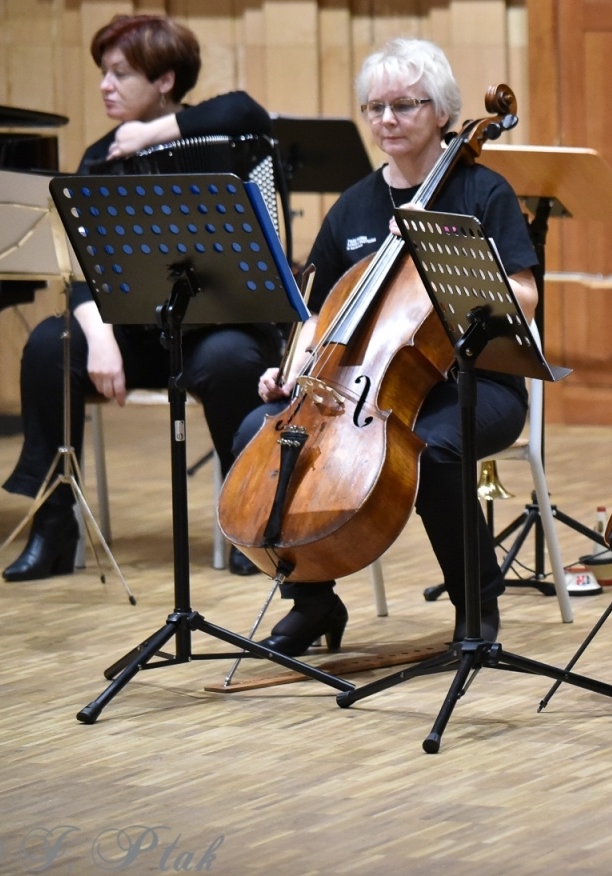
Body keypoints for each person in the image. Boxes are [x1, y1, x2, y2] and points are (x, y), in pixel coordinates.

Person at [230, 38, 538, 655]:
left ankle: (474, 601)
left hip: (472, 386)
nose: (387, 120)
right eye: (375, 108)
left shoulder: (484, 194)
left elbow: (525, 299)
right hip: (357, 386)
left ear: (444, 112)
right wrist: (290, 370)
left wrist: (453, 268)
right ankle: (313, 600)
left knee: (433, 456)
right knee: (257, 432)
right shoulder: (356, 205)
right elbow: (316, 310)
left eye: (405, 105)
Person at [1, 14, 276, 581]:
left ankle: (249, 518)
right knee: (50, 346)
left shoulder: (220, 131)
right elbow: (79, 266)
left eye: (121, 73)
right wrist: (99, 339)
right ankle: (54, 525)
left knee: (231, 363)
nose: (105, 84)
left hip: (220, 329)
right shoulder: (100, 157)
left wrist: (151, 136)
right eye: (103, 72)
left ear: (165, 81)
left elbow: (247, 109)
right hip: (136, 332)